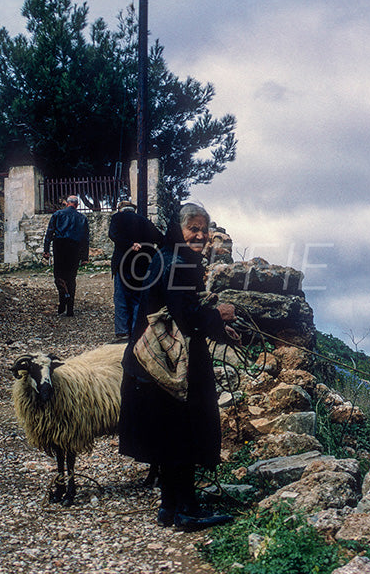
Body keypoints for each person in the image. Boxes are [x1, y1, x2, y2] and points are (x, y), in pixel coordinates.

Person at [119, 203, 239, 531]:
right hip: (172, 365)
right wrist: (221, 316)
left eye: (204, 230)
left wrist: (217, 329)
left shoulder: (167, 256)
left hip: (155, 363)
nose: (200, 236)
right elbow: (187, 317)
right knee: (184, 432)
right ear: (180, 229)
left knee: (170, 436)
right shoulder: (177, 264)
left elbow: (177, 308)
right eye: (193, 230)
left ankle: (169, 506)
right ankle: (187, 509)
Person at [108, 200, 163, 342]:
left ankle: (122, 332)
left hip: (122, 262)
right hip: (142, 264)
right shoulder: (144, 220)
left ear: (120, 209)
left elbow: (113, 235)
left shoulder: (117, 217)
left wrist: (129, 245)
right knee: (138, 298)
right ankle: (136, 331)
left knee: (121, 297)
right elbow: (159, 238)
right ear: (134, 209)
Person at [43, 195, 89, 317]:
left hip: (60, 247)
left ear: (67, 203)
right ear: (77, 205)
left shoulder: (57, 215)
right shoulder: (82, 218)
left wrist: (46, 250)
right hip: (75, 248)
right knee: (71, 277)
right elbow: (85, 239)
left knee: (59, 275)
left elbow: (50, 231)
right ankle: (70, 309)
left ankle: (63, 298)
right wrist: (85, 257)